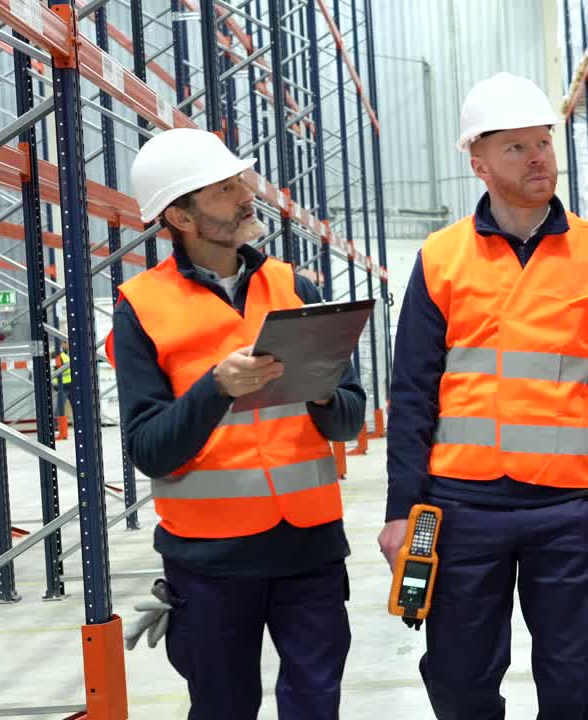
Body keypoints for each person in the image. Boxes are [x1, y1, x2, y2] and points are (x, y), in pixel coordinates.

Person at [378, 71, 588, 720]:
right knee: (458, 679)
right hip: (462, 505)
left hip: (569, 506)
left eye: (544, 144)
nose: (538, 159)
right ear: (478, 163)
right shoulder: (442, 257)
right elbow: (412, 392)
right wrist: (400, 510)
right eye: (516, 148)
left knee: (577, 678)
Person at [106, 127, 365, 720]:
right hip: (210, 564)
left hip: (310, 548)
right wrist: (215, 389)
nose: (246, 196)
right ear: (180, 215)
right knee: (223, 707)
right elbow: (149, 448)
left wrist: (319, 393)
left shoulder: (294, 287)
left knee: (316, 705)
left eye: (239, 182)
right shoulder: (142, 308)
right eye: (223, 190)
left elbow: (348, 415)